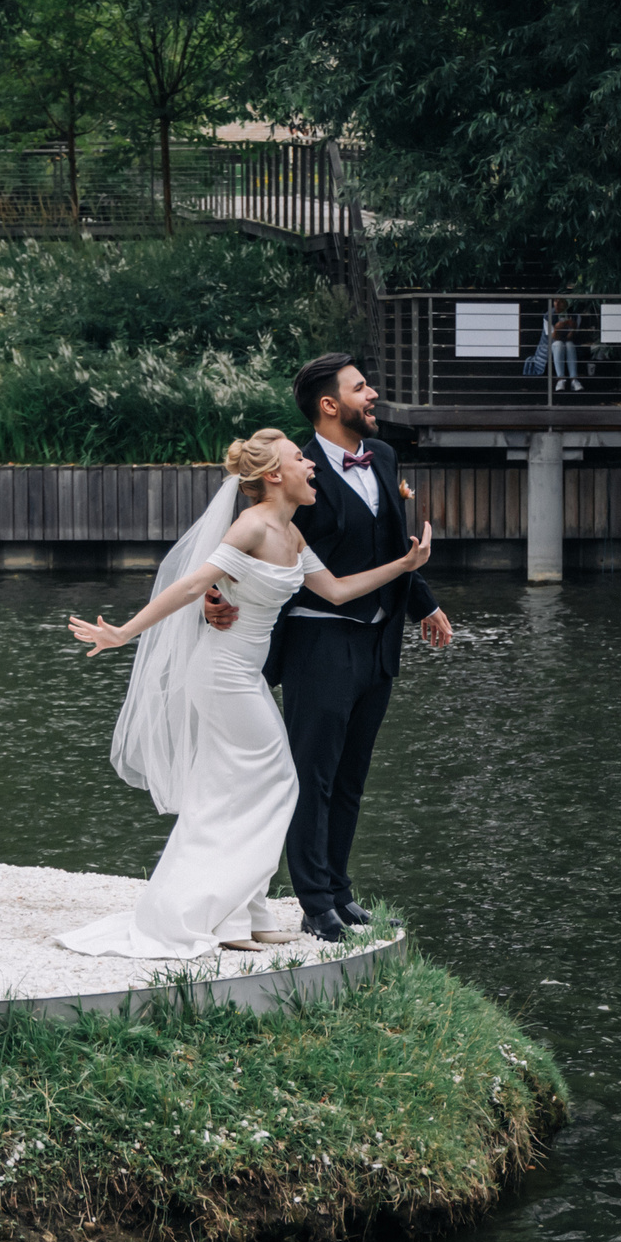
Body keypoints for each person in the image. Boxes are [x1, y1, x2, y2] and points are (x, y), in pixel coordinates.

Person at [55, 427, 433, 959]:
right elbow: (191, 584)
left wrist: (405, 566)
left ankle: (241, 913)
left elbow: (338, 591)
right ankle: (224, 912)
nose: (312, 466)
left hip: (245, 674)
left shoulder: (292, 534)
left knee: (234, 789)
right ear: (274, 476)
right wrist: (122, 633)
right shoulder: (252, 527)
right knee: (278, 780)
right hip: (221, 674)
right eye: (301, 459)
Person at [201, 355, 453, 939]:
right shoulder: (295, 470)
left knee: (351, 776)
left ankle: (340, 888)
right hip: (317, 641)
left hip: (379, 642)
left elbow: (393, 545)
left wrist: (426, 604)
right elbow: (247, 540)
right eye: (361, 387)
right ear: (329, 405)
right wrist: (214, 594)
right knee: (311, 775)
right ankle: (314, 901)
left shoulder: (384, 457)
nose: (374, 395)